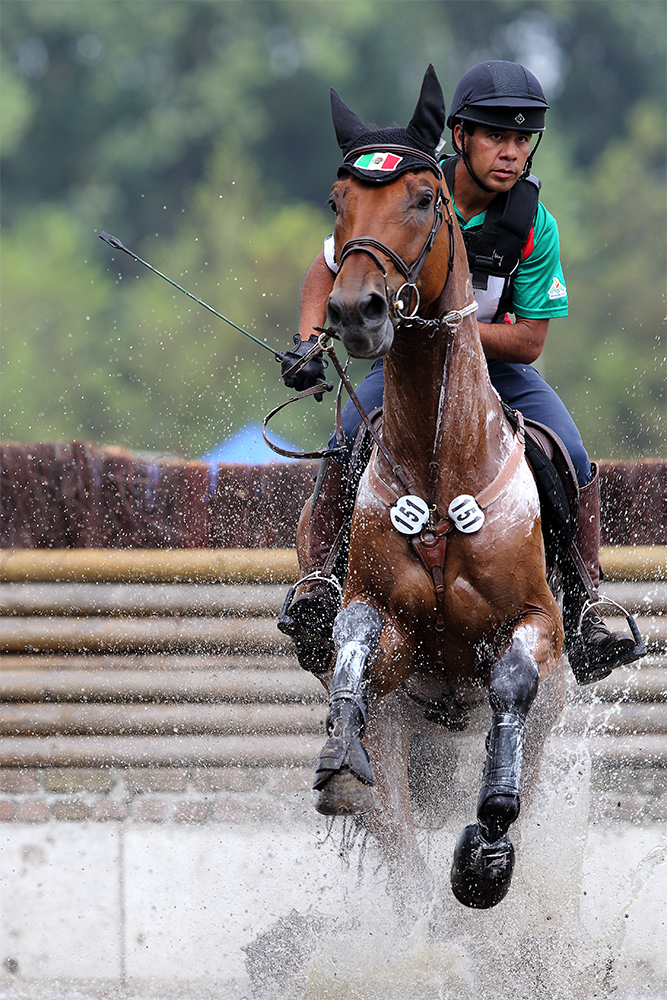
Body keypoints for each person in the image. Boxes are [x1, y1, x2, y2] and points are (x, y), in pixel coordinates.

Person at [277, 60, 643, 685]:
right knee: (345, 438)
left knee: (573, 455)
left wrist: (453, 330)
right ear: (461, 137)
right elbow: (327, 268)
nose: (510, 153)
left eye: (523, 140)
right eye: (496, 136)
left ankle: (585, 606)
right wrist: (311, 340)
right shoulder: (408, 189)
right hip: (410, 369)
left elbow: (528, 339)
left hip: (499, 373)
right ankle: (316, 583)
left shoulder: (534, 225)